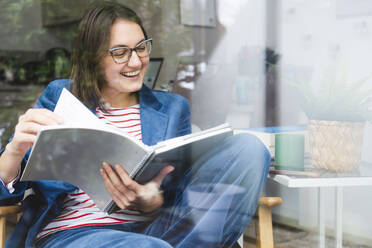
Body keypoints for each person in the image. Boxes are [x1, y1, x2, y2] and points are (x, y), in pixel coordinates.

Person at [0, 2, 270, 248]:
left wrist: (151, 199)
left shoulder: (173, 108)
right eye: (120, 52)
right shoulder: (60, 97)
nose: (136, 61)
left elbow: (179, 195)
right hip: (75, 234)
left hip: (157, 230)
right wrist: (14, 151)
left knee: (249, 148)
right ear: (93, 58)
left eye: (141, 47)